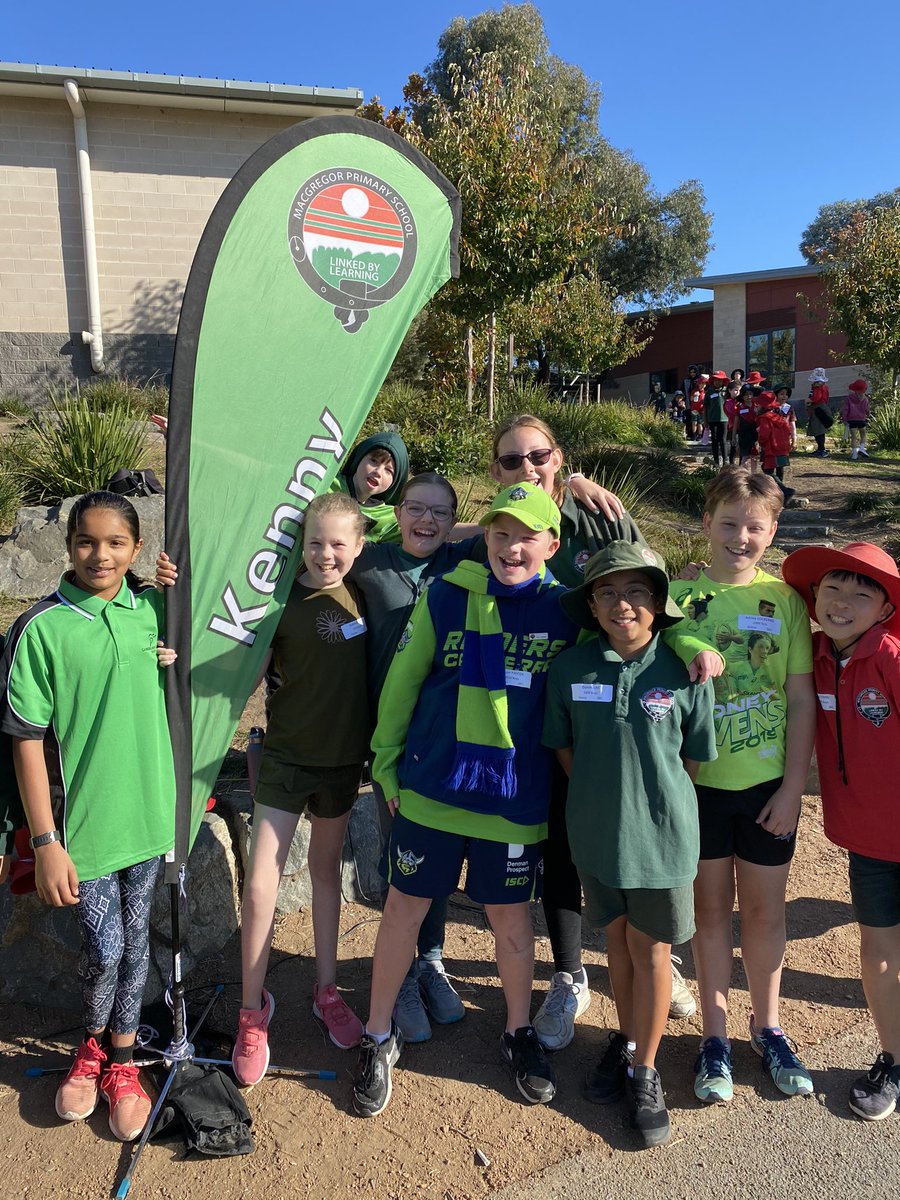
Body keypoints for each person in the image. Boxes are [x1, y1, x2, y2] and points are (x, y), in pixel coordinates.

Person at [486, 415, 721, 1050]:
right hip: (547, 704)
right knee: (564, 847)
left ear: (558, 457)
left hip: (625, 694)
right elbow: (425, 538)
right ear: (495, 473)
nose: (527, 467)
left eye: (538, 455)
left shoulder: (603, 517)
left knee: (638, 840)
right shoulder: (497, 527)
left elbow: (657, 599)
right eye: (511, 461)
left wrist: (696, 642)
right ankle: (569, 975)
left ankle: (657, 955)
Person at [352, 483, 578, 1117]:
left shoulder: (567, 612)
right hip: (431, 789)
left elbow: (636, 638)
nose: (511, 547)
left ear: (550, 545)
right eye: (500, 533)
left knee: (509, 920)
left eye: (526, 535)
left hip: (515, 798)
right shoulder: (448, 595)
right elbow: (403, 682)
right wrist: (388, 767)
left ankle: (517, 1030)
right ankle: (376, 1033)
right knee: (402, 910)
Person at [0, 492, 176, 1141]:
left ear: (135, 549)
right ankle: (92, 1046)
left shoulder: (150, 613)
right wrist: (45, 840)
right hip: (85, 831)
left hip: (150, 821)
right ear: (69, 545)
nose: (99, 554)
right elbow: (23, 739)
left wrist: (173, 620)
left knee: (136, 951)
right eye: (86, 541)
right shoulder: (40, 629)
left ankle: (124, 1062)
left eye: (115, 543)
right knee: (103, 951)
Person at [188, 492, 371, 1085]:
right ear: (300, 545)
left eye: (338, 543)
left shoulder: (366, 594)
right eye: (315, 542)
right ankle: (252, 1008)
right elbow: (238, 672)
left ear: (358, 546)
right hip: (288, 761)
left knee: (325, 874)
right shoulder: (279, 603)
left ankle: (326, 990)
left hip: (343, 766)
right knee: (263, 878)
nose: (326, 554)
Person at [543, 542, 716, 1148]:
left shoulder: (683, 669)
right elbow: (564, 749)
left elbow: (692, 758)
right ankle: (628, 1039)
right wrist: (600, 797)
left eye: (638, 592)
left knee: (652, 946)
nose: (624, 604)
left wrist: (654, 805)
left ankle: (645, 1071)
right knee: (614, 939)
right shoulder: (571, 669)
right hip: (594, 833)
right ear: (591, 605)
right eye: (609, 593)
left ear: (659, 603)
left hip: (664, 837)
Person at [669, 470, 816, 1104]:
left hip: (765, 792)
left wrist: (792, 789)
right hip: (699, 789)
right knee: (708, 917)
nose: (741, 537)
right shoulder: (676, 599)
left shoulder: (785, 602)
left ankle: (769, 1026)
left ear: (772, 531)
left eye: (755, 526)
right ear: (705, 525)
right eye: (728, 524)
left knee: (763, 914)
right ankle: (716, 1037)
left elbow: (801, 698)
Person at [350, 473, 484, 1042]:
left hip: (447, 740)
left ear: (454, 521)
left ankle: (430, 960)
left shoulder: (465, 565)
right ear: (397, 511)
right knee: (400, 858)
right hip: (389, 740)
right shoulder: (367, 562)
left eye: (439, 512)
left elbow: (530, 532)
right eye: (415, 509)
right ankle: (399, 970)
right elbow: (303, 561)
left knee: (433, 859)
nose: (425, 521)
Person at [781, 542, 900, 1120]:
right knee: (878, 952)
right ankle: (894, 1058)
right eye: (832, 588)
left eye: (862, 592)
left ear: (884, 609)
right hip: (869, 840)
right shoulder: (813, 656)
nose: (843, 601)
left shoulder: (893, 657)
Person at [331, 431, 410, 543]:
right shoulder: (327, 483)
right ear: (359, 458)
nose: (378, 472)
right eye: (374, 461)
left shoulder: (390, 519)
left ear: (395, 481)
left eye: (388, 470)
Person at [755, 390, 795, 503]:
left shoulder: (764, 418)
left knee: (767, 471)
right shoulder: (778, 416)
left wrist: (761, 443)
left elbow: (764, 434)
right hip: (782, 447)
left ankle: (785, 492)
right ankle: (779, 494)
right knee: (779, 469)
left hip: (772, 448)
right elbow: (787, 430)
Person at [705, 371, 729, 467]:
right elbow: (706, 407)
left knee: (723, 440)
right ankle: (716, 461)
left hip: (724, 419)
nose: (718, 382)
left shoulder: (727, 391)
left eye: (720, 380)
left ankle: (725, 460)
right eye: (716, 380)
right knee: (714, 440)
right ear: (713, 381)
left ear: (723, 381)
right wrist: (705, 421)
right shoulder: (709, 392)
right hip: (712, 419)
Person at [843, 379, 871, 461]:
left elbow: (846, 409)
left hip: (852, 420)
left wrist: (845, 418)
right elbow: (867, 410)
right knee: (863, 434)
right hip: (861, 420)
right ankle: (862, 448)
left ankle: (854, 453)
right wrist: (868, 415)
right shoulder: (865, 399)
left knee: (854, 437)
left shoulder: (849, 398)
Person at [807, 368, 831, 457]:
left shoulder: (818, 388)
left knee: (818, 429)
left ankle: (821, 449)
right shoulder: (825, 387)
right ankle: (821, 449)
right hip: (822, 407)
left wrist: (809, 401)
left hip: (818, 408)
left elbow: (816, 398)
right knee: (820, 430)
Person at [735, 386, 760, 472]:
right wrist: (734, 436)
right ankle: (744, 475)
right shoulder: (740, 408)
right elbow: (736, 424)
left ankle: (754, 474)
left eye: (750, 394)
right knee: (744, 457)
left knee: (754, 457)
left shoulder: (757, 408)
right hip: (743, 435)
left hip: (755, 435)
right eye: (746, 395)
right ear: (742, 397)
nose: (749, 397)